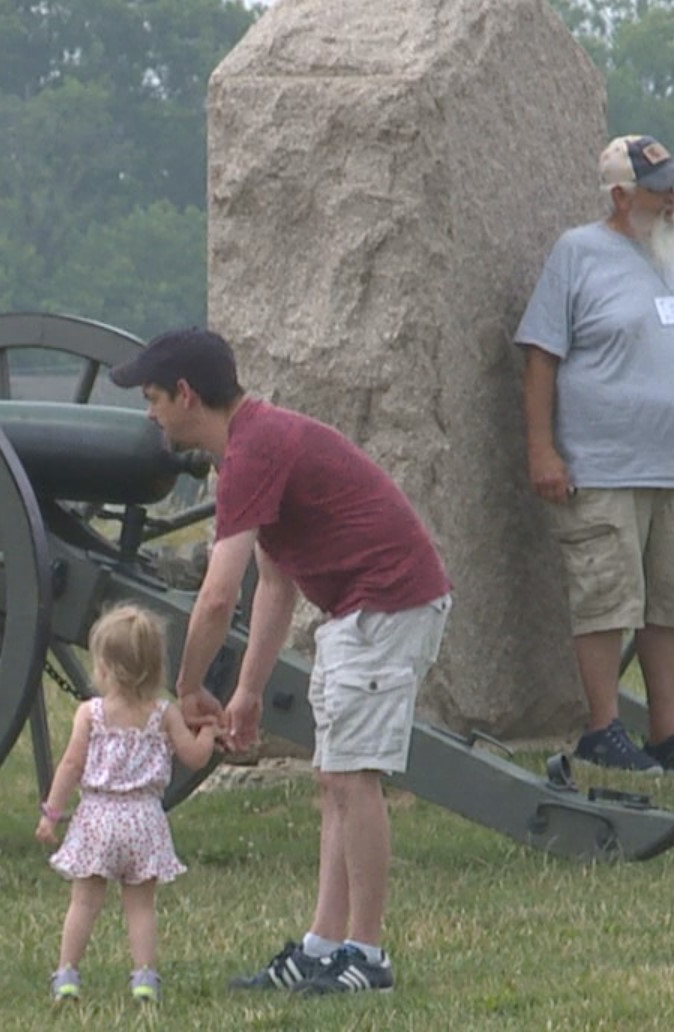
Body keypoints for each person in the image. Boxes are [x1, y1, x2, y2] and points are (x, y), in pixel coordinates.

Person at [108, 326, 452, 996]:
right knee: (333, 779)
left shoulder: (254, 448)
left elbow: (215, 597)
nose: (148, 412)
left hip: (384, 604)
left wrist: (186, 686)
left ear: (185, 394)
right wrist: (247, 690)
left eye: (152, 397)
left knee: (355, 780)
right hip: (356, 612)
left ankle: (369, 955)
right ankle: (324, 947)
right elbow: (273, 578)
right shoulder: (252, 444)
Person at [514, 133, 674, 773]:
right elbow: (541, 356)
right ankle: (603, 728)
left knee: (669, 603)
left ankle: (669, 731)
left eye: (673, 188)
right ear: (619, 194)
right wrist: (541, 448)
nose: (672, 200)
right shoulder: (577, 254)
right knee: (606, 598)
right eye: (659, 188)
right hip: (604, 463)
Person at [36, 604, 220, 1004]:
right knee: (140, 908)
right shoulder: (163, 715)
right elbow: (194, 757)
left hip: (97, 818)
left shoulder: (91, 714)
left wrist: (52, 813)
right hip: (144, 820)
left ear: (104, 668)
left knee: (84, 901)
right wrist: (207, 732)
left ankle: (67, 975)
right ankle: (144, 979)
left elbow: (70, 765)